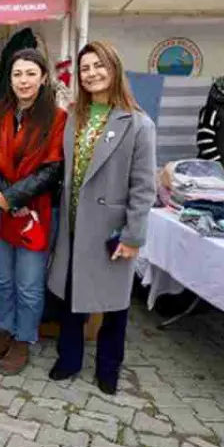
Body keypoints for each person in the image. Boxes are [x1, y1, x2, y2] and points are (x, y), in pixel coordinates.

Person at [48, 41, 156, 396]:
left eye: (99, 66)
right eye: (85, 68)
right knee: (71, 294)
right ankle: (69, 358)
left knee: (114, 303)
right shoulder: (73, 117)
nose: (92, 73)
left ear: (114, 69)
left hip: (110, 227)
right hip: (74, 222)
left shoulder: (138, 124)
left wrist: (132, 235)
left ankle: (109, 367)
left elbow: (144, 186)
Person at [0, 49, 67, 375]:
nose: (24, 81)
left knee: (28, 282)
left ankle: (23, 339)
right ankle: (5, 330)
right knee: (1, 278)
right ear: (9, 78)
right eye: (17, 74)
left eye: (31, 73)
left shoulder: (58, 118)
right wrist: (3, 197)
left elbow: (53, 167)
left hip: (37, 210)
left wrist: (14, 197)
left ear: (43, 77)